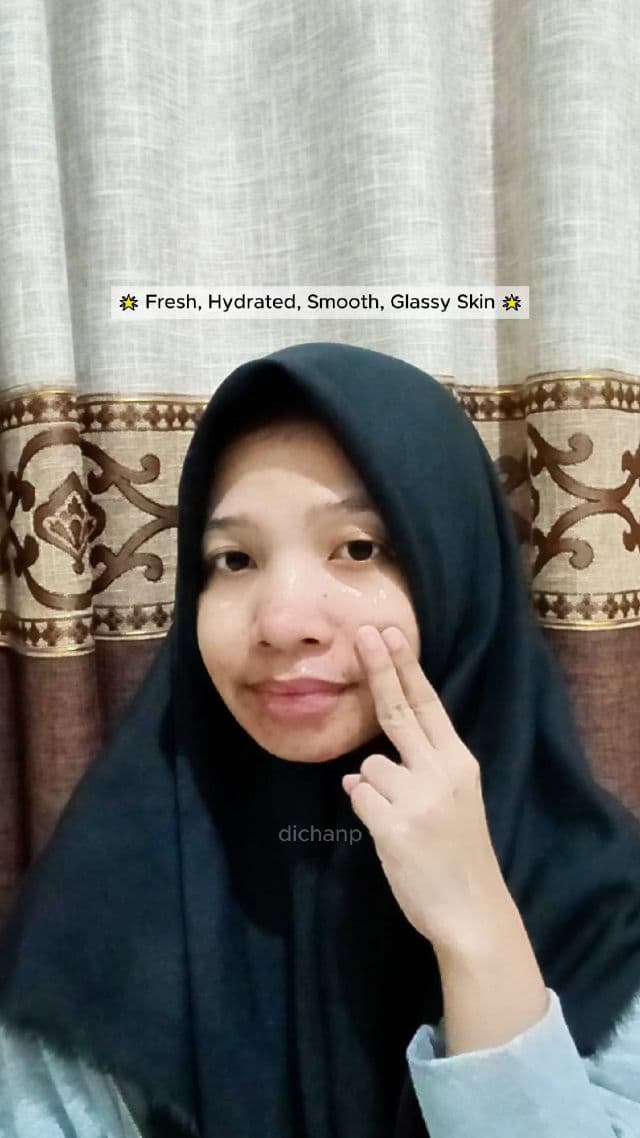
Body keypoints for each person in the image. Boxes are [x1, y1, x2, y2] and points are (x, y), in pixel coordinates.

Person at [1, 341, 640, 1138]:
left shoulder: (604, 907)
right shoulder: (106, 897)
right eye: (234, 559)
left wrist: (478, 927)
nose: (282, 621)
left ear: (459, 574)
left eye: (359, 548)